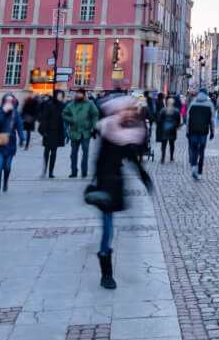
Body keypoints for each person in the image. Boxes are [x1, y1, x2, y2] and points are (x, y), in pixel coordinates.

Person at [88, 94, 151, 290]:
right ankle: (106, 274)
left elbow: (131, 158)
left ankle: (107, 267)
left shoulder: (123, 133)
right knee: (108, 229)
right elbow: (99, 161)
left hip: (116, 184)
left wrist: (145, 178)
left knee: (111, 226)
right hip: (105, 185)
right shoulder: (109, 131)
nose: (130, 114)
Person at [0, 93, 26, 197]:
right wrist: (4, 114)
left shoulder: (16, 113)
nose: (9, 102)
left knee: (7, 167)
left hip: (10, 143)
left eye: (11, 101)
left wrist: (21, 137)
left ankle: (5, 181)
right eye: (7, 100)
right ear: (4, 101)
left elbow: (19, 125)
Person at [64, 88, 99, 177]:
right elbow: (64, 114)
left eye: (80, 94)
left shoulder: (89, 104)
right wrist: (71, 120)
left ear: (84, 95)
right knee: (73, 153)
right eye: (77, 93)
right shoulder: (71, 104)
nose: (78, 95)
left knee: (85, 151)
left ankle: (84, 171)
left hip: (85, 132)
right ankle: (74, 171)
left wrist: (93, 127)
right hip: (74, 132)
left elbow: (95, 115)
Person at [185, 88, 215, 179]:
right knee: (201, 151)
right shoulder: (210, 104)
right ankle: (200, 171)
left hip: (193, 130)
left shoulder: (193, 103)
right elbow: (212, 120)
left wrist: (187, 131)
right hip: (203, 131)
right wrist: (212, 131)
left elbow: (188, 118)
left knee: (194, 149)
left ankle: (194, 165)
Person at [39, 89, 67, 177]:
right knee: (47, 151)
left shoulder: (63, 105)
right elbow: (44, 118)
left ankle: (51, 172)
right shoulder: (49, 105)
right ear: (55, 95)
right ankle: (45, 168)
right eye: (59, 95)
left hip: (58, 131)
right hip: (48, 131)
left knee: (54, 152)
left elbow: (66, 117)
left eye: (61, 95)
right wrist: (43, 130)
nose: (60, 97)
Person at [156, 96, 182, 162]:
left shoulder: (163, 110)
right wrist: (177, 126)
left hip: (164, 129)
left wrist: (160, 126)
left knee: (163, 144)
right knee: (172, 144)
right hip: (172, 129)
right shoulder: (176, 110)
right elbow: (178, 120)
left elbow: (159, 120)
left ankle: (163, 156)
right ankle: (171, 157)